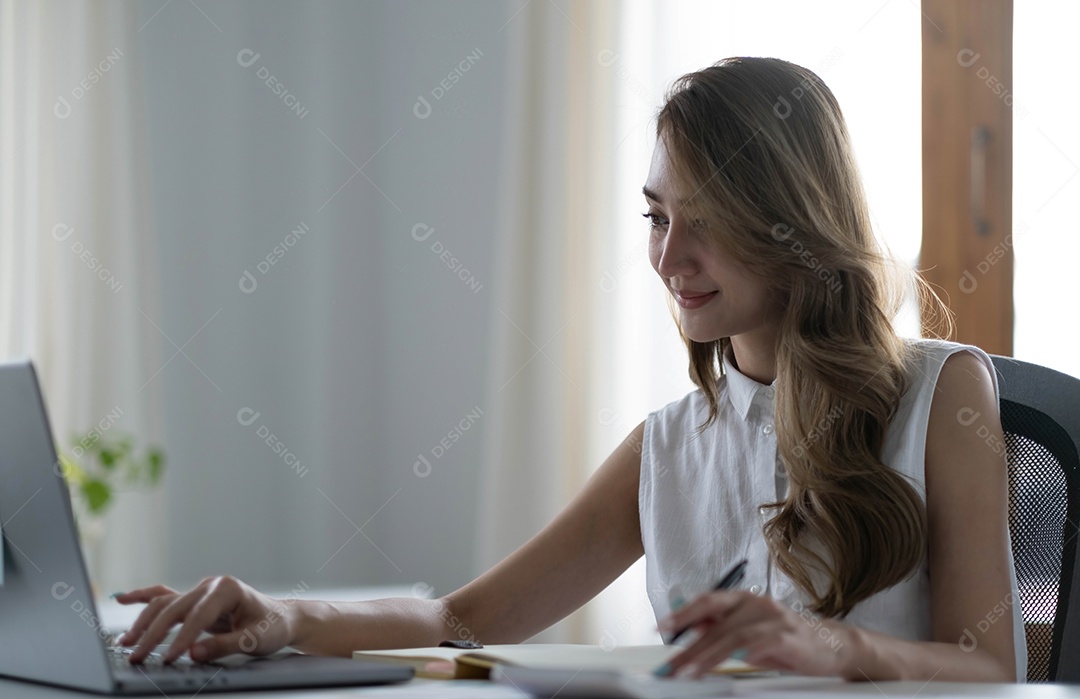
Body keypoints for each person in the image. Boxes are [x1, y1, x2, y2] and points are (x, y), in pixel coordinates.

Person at [114, 57, 1025, 682]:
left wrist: (839, 649)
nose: (669, 258)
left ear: (792, 221)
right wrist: (285, 616)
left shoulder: (942, 394)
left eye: (708, 221)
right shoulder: (668, 447)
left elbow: (991, 667)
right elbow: (461, 622)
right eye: (656, 217)